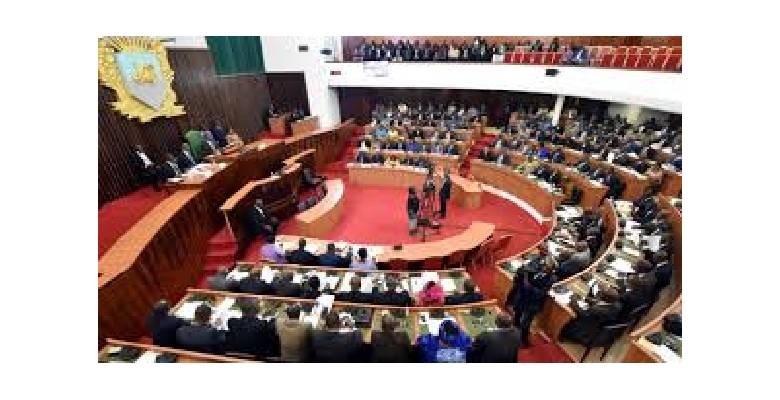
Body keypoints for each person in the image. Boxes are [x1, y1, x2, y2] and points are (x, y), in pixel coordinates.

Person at [559, 285, 623, 346]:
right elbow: (598, 303)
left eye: (601, 293)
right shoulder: (616, 305)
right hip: (595, 325)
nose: (599, 293)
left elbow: (581, 312)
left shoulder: (597, 310)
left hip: (584, 331)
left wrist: (573, 300)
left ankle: (562, 336)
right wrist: (585, 298)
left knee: (569, 315)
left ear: (605, 298)